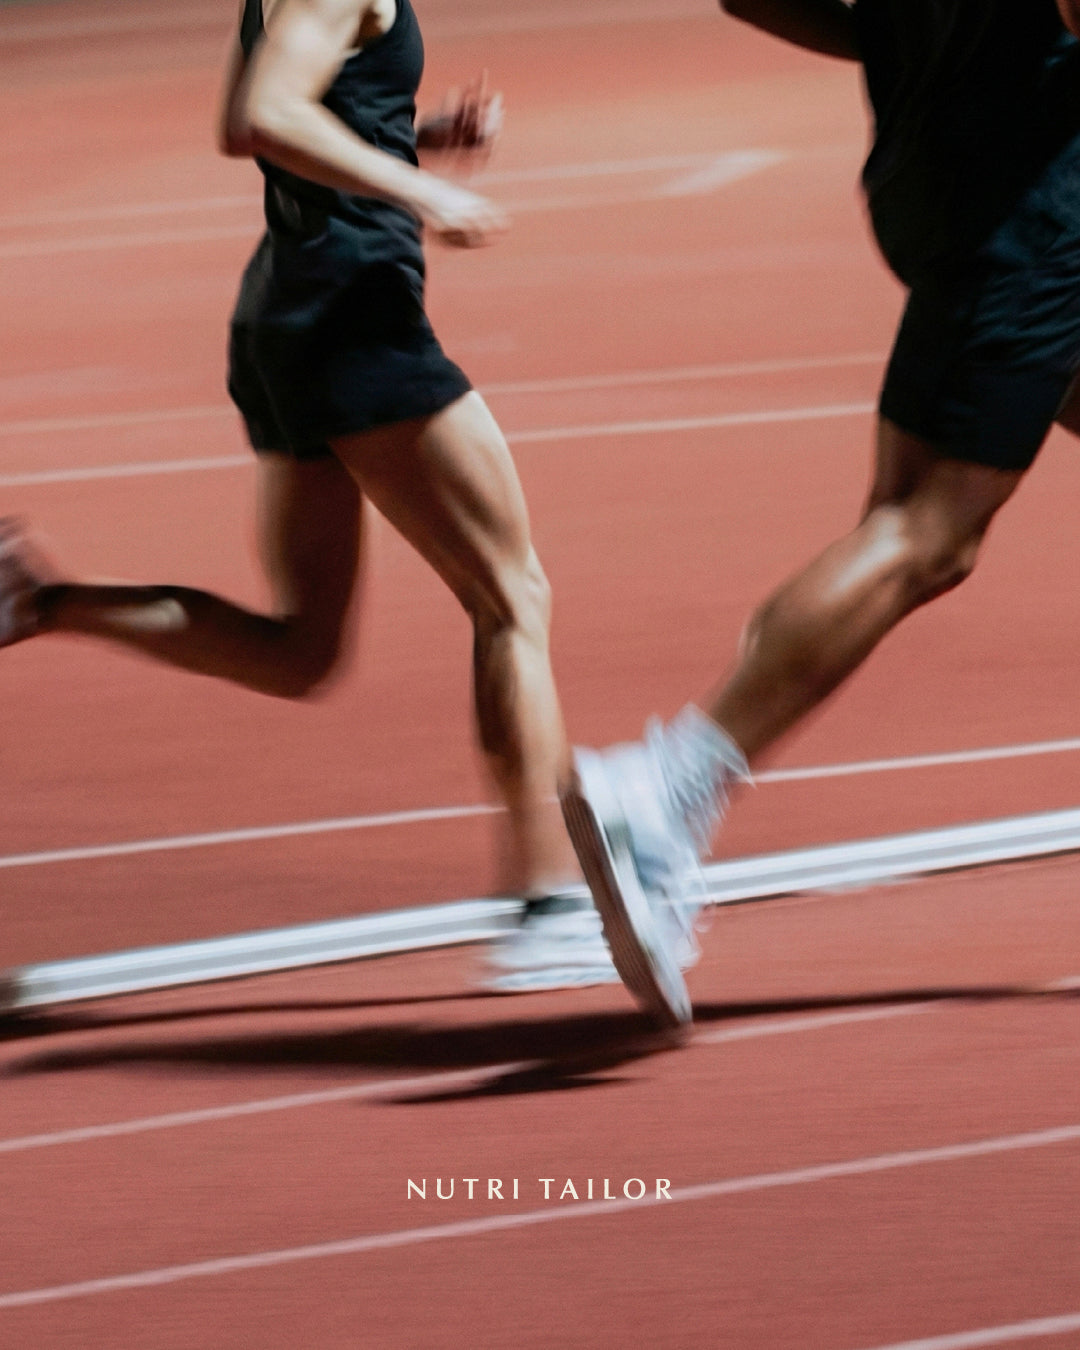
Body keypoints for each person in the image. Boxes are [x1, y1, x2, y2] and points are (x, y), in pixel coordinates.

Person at [0, 0, 604, 988]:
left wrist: (409, 136)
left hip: (287, 314)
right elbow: (262, 117)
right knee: (512, 597)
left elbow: (267, 113)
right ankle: (547, 903)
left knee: (302, 651)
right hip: (350, 315)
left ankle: (39, 600)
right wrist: (417, 186)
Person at [558, 0, 1080, 1026]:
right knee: (926, 531)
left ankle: (665, 793)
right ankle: (663, 790)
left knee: (912, 516)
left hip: (938, 176)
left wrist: (902, 43)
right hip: (1033, 202)